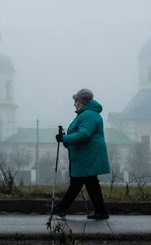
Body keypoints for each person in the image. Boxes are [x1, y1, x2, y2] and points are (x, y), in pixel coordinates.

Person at [53, 88, 110, 220]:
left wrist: (65, 139)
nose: (74, 104)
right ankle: (101, 211)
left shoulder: (88, 115)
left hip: (87, 155)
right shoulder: (87, 114)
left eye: (76, 100)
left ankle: (61, 208)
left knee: (78, 182)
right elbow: (80, 133)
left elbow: (84, 134)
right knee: (89, 183)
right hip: (87, 154)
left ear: (82, 102)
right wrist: (66, 138)